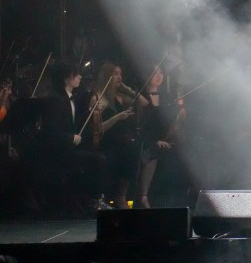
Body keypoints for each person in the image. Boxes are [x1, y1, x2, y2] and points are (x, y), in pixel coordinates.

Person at [39, 61, 108, 211]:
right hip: (58, 152)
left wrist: (91, 111)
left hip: (69, 148)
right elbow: (50, 131)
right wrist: (70, 138)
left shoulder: (71, 97)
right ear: (66, 78)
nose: (80, 77)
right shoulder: (55, 99)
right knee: (99, 160)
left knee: (99, 155)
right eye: (76, 75)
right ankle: (93, 199)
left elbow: (75, 123)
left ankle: (87, 199)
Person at [96, 63, 148, 209]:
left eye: (120, 74)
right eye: (115, 74)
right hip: (108, 141)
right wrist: (118, 117)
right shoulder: (100, 98)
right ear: (107, 76)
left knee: (134, 147)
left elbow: (143, 103)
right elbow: (98, 128)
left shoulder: (120, 96)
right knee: (129, 150)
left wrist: (125, 87)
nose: (119, 77)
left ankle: (122, 195)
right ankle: (118, 196)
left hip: (123, 140)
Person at [136, 65, 181, 209]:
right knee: (154, 151)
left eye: (161, 72)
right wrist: (156, 140)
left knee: (175, 153)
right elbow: (139, 125)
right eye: (154, 73)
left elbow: (169, 123)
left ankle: (170, 198)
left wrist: (169, 136)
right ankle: (144, 196)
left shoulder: (167, 97)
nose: (158, 75)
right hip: (145, 138)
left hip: (163, 138)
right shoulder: (140, 96)